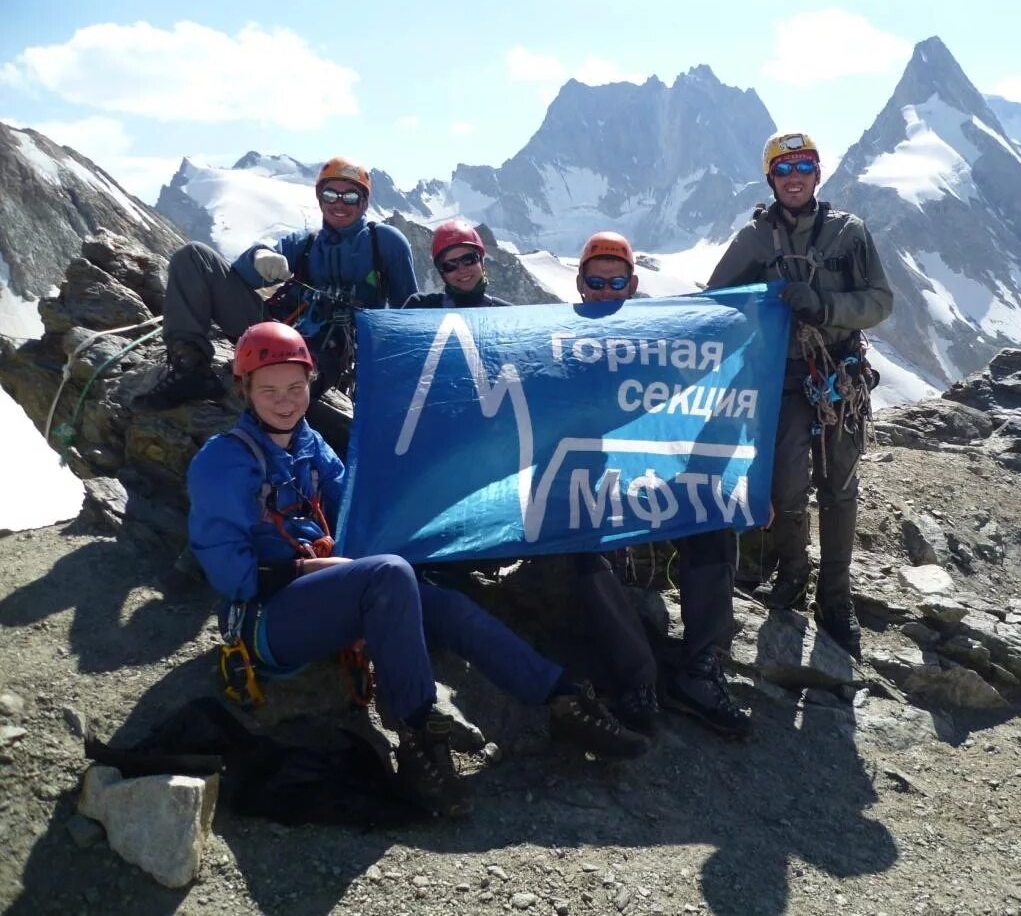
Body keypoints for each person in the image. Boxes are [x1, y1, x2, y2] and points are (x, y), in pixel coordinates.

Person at [186, 321, 648, 816]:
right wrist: (316, 570)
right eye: (269, 389)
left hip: (332, 596)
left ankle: (563, 698)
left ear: (311, 383)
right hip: (265, 620)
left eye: (296, 387)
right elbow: (230, 573)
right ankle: (420, 743)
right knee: (389, 575)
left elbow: (358, 511)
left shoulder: (309, 444)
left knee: (446, 605)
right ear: (245, 390)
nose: (286, 400)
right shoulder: (223, 462)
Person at [705, 133, 894, 659]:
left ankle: (836, 597)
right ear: (771, 178)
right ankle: (792, 574)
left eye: (804, 166)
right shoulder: (754, 240)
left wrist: (823, 305)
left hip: (839, 377)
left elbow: (879, 301)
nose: (794, 176)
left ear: (817, 174)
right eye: (784, 168)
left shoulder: (849, 234)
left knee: (838, 485)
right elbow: (717, 303)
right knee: (786, 488)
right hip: (781, 379)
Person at [569, 231, 752, 738]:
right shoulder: (559, 342)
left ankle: (698, 668)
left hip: (651, 482)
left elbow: (698, 409)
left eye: (617, 281)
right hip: (592, 489)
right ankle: (639, 677)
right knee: (581, 553)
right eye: (596, 281)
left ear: (633, 284)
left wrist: (745, 482)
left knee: (712, 525)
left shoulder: (665, 340)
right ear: (581, 284)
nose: (607, 291)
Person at [134, 157, 419, 413]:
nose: (338, 203)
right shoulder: (304, 243)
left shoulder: (386, 242)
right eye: (330, 194)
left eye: (350, 196)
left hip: (333, 353)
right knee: (193, 256)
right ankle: (191, 367)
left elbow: (410, 313)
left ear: (364, 202)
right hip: (271, 327)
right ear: (320, 199)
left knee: (285, 386)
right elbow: (245, 274)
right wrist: (259, 257)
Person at [405, 220, 510, 309]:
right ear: (442, 274)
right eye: (450, 265)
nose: (462, 269)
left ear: (481, 262)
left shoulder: (508, 313)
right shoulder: (419, 306)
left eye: (469, 260)